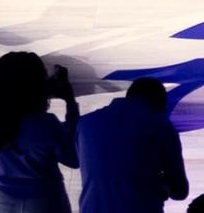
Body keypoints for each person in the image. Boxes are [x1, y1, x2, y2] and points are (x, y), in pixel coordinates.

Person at [0, 51, 80, 213]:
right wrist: (70, 101)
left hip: (1, 201)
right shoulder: (45, 124)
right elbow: (73, 158)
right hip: (44, 202)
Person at [77, 78, 189, 213]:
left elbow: (74, 160)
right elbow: (179, 191)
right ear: (159, 104)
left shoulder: (85, 123)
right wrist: (156, 181)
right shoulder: (160, 125)